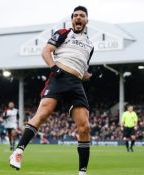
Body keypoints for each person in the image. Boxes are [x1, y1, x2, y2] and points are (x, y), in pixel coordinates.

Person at [9, 6, 94, 175]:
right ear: (72, 20)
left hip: (76, 84)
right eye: (75, 15)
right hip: (59, 78)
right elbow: (46, 51)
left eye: (82, 16)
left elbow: (81, 69)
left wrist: (87, 76)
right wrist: (54, 69)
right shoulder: (63, 32)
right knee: (43, 114)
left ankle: (82, 172)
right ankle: (18, 152)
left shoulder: (90, 45)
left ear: (86, 20)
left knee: (84, 128)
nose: (78, 18)